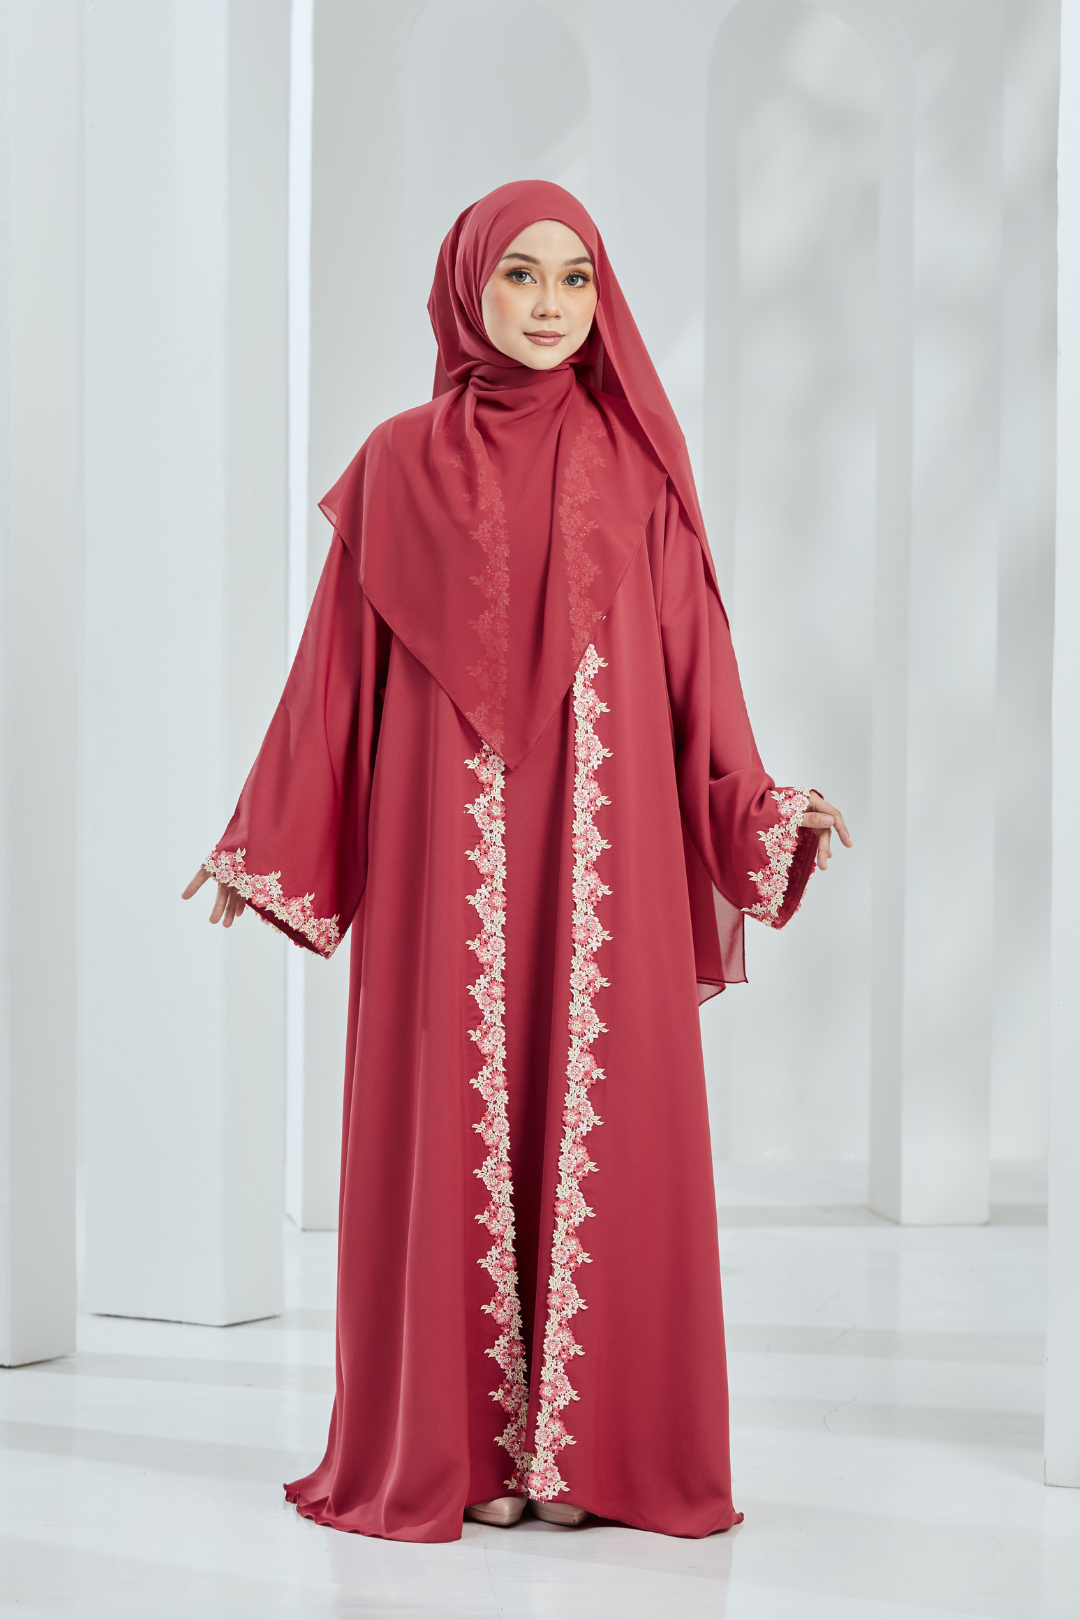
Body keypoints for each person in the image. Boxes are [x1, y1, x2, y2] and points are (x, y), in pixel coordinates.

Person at [183, 180, 850, 1543]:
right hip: (446, 874)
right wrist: (266, 835)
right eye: (521, 277)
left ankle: (584, 1457)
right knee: (453, 1120)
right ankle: (467, 1453)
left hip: (609, 867)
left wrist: (760, 807)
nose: (550, 306)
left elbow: (696, 685)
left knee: (605, 1118)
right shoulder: (394, 468)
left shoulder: (639, 475)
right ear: (467, 290)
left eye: (576, 279)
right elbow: (333, 683)